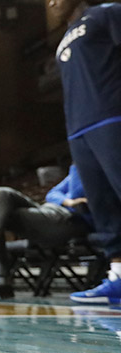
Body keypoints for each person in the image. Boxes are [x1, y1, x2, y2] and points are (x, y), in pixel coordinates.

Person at [50, 0, 121, 304]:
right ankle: (118, 277)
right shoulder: (61, 41)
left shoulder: (107, 13)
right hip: (78, 130)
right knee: (105, 209)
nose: (50, 2)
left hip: (111, 116)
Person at [0, 165, 93, 298]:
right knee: (1, 195)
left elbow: (84, 196)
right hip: (48, 211)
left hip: (67, 220)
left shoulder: (93, 167)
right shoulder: (77, 167)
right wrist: (67, 201)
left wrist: (74, 203)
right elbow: (52, 194)